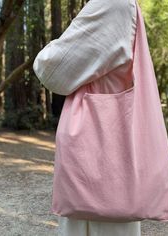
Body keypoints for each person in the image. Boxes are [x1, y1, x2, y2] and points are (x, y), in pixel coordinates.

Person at [33, 0, 142, 235]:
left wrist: (56, 44)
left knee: (94, 221)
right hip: (110, 149)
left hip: (98, 154)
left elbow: (51, 69)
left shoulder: (110, 4)